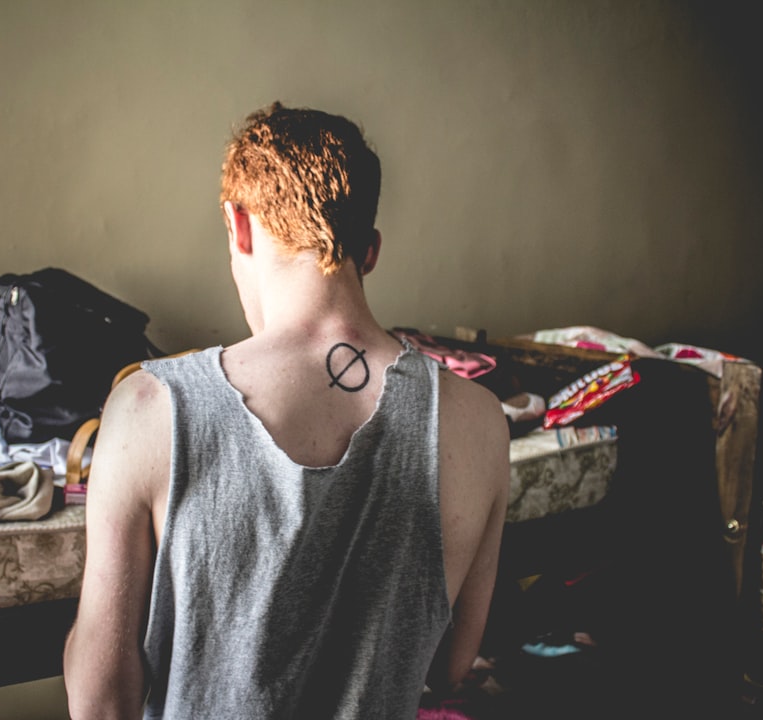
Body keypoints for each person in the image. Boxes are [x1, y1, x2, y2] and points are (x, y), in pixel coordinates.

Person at [63, 102, 509, 720]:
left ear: (237, 226)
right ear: (370, 251)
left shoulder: (146, 408)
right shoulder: (480, 421)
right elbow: (451, 665)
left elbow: (99, 701)